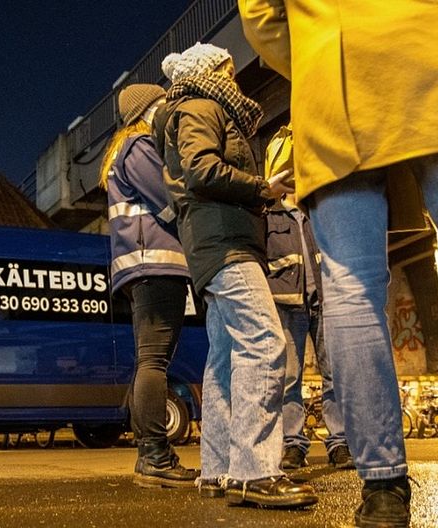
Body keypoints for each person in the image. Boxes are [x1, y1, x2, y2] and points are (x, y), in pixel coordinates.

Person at [239, 2, 438, 526]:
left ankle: (384, 488)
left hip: (335, 87)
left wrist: (316, 55)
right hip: (432, 57)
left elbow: (262, 17)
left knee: (352, 292)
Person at [151, 42, 317, 508]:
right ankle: (256, 470)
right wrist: (263, 188)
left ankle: (219, 468)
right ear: (212, 71)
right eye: (228, 68)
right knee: (265, 344)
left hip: (213, 245)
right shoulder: (203, 106)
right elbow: (203, 170)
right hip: (226, 244)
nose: (234, 77)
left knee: (223, 357)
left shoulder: (190, 108)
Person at [100, 83, 198, 488]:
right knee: (154, 361)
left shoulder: (123, 150)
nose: (166, 112)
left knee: (151, 360)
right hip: (155, 263)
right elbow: (170, 198)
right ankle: (155, 455)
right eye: (160, 105)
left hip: (145, 266)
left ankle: (151, 455)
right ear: (144, 111)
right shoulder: (139, 145)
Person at [265, 192, 354, 471]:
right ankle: (293, 444)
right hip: (287, 302)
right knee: (290, 379)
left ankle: (339, 442)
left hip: (326, 300)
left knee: (335, 376)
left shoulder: (317, 207)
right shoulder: (270, 212)